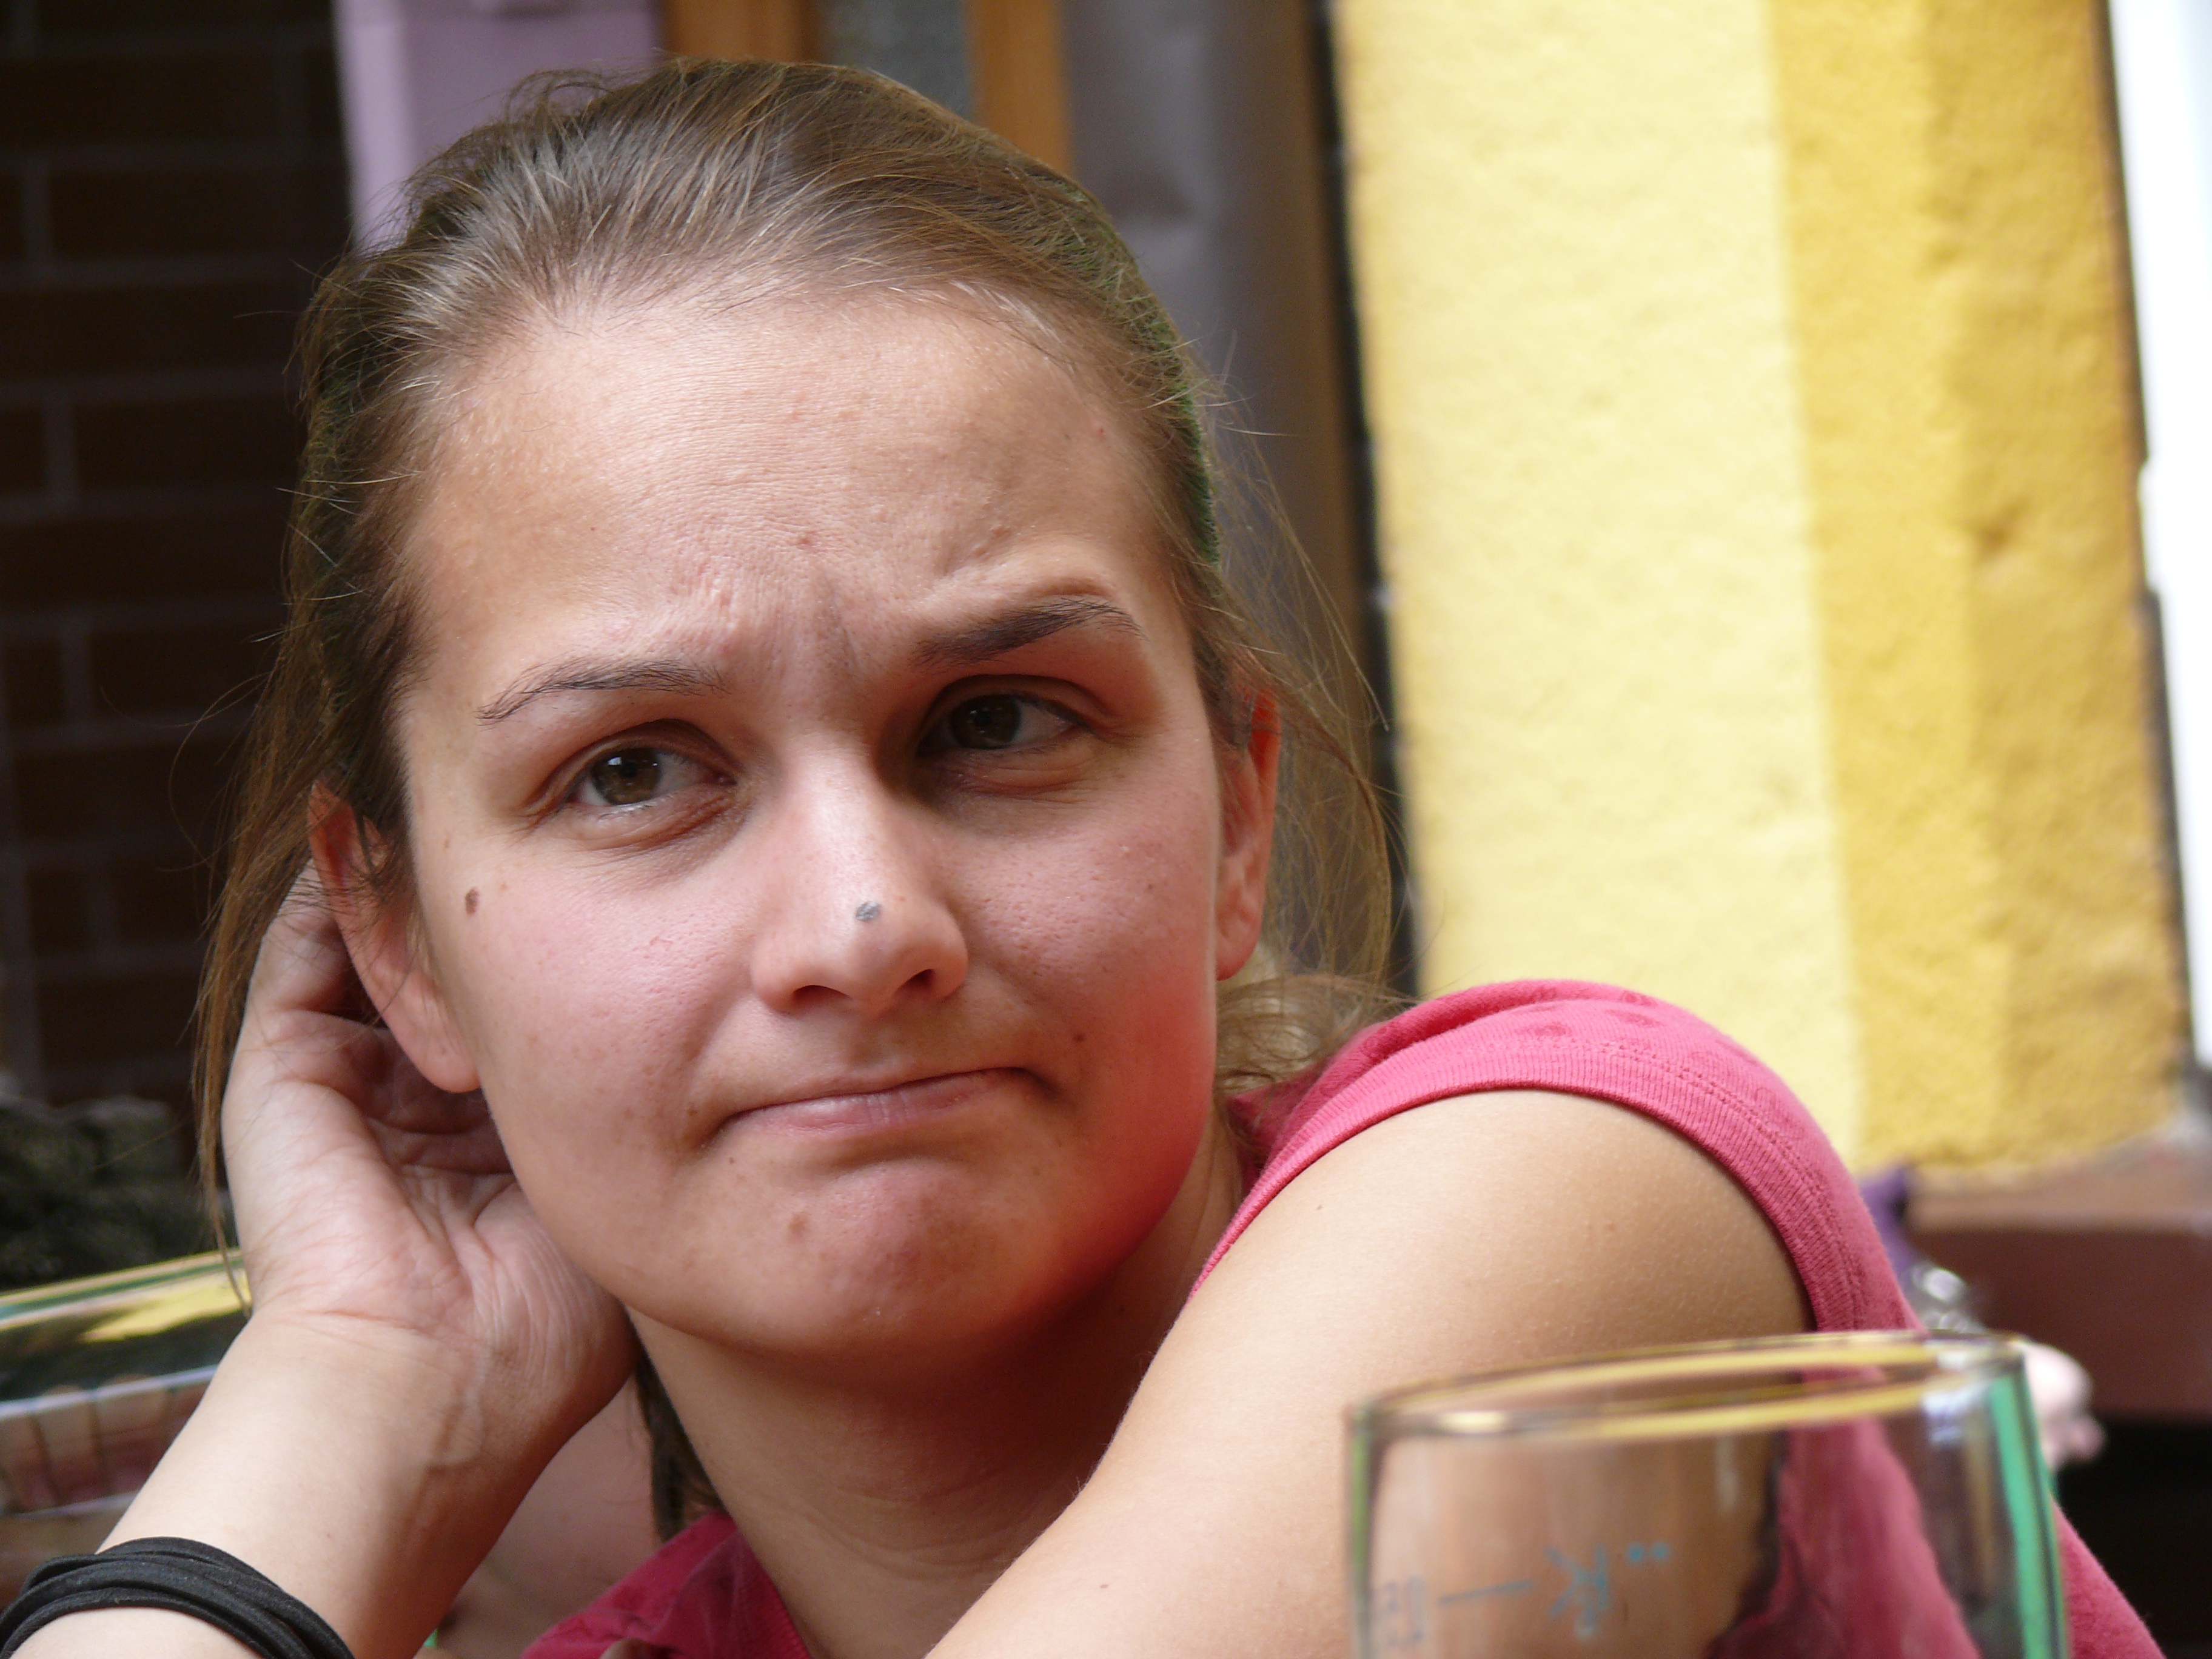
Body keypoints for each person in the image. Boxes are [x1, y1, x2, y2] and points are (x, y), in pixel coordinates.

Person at [0, 59, 2157, 1659]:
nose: (864, 926)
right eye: (639, 770)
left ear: (1238, 812)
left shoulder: (1558, 1207)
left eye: (999, 722)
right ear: (397, 948)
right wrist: (360, 1379)